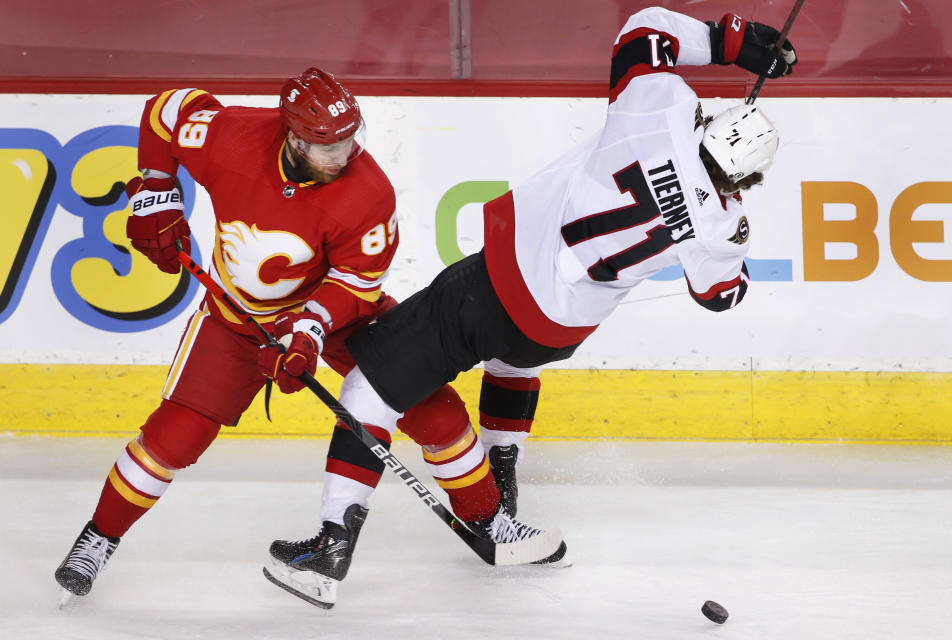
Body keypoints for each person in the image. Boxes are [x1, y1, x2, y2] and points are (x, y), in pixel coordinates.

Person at [265, 5, 797, 606]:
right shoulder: (725, 227)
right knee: (513, 364)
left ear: (710, 125)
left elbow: (642, 33)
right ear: (748, 181)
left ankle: (332, 545)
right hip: (561, 327)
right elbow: (720, 298)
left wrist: (733, 43)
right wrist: (726, 241)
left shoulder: (663, 108)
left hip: (497, 287)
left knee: (369, 388)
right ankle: (503, 487)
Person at [54, 67, 561, 603]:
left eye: (350, 139)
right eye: (328, 146)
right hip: (236, 320)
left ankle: (490, 521)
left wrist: (309, 329)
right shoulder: (231, 138)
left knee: (435, 411)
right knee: (173, 438)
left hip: (339, 319)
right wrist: (157, 190)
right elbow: (167, 108)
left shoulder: (367, 192)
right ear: (294, 138)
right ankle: (97, 539)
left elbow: (356, 284)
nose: (344, 155)